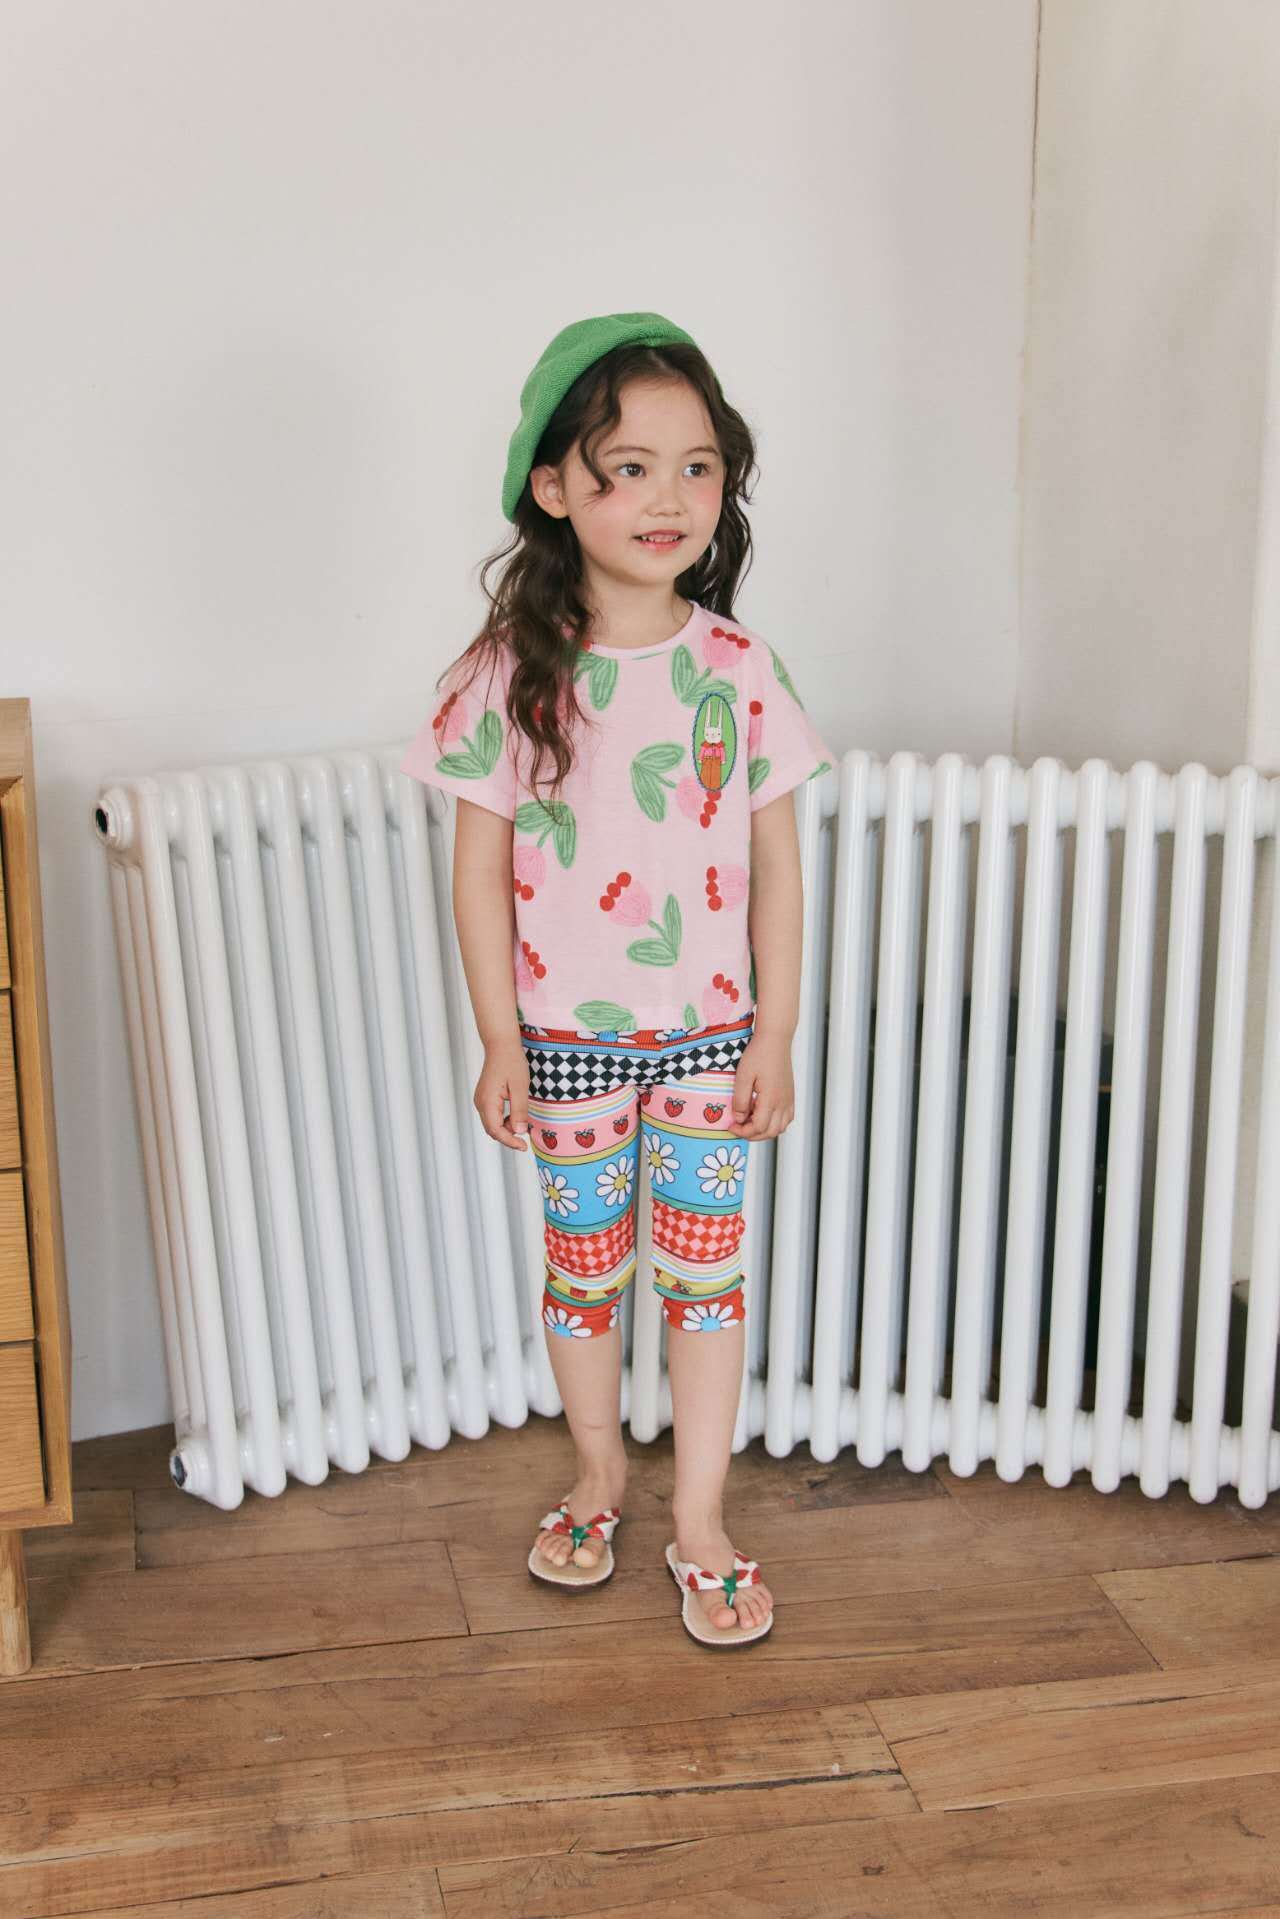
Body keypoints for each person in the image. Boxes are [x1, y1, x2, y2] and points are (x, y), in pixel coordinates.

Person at [400, 311, 836, 1647]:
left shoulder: (738, 672)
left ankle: (700, 1517)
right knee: (584, 1274)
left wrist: (775, 1034)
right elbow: (478, 876)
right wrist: (499, 1039)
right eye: (628, 467)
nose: (667, 499)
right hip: (564, 1046)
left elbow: (778, 870)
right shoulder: (503, 676)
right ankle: (598, 1477)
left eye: (697, 467)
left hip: (711, 1044)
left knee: (704, 1283)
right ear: (554, 487)